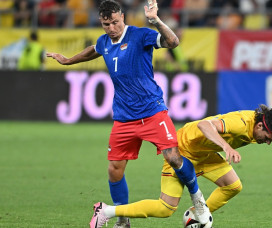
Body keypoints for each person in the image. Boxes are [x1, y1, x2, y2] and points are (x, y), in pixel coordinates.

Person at [46, 0, 211, 228]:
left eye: (115, 22)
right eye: (106, 24)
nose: (111, 28)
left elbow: (173, 42)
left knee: (173, 157)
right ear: (101, 23)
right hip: (124, 118)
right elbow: (93, 51)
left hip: (153, 111)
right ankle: (122, 220)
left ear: (122, 17)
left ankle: (198, 199)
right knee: (114, 169)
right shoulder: (104, 42)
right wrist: (68, 60)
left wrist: (156, 21)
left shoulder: (139, 35)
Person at [89, 104, 272, 227]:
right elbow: (205, 125)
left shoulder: (271, 123)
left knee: (233, 186)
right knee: (165, 208)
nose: (268, 142)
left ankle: (194, 217)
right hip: (183, 150)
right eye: (268, 138)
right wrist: (227, 146)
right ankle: (107, 211)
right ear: (261, 125)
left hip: (207, 154)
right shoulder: (241, 123)